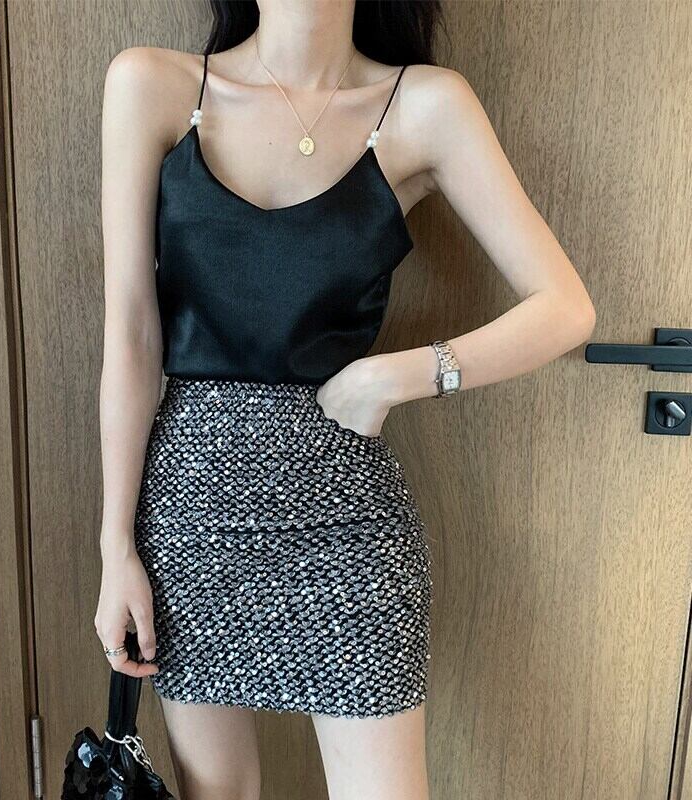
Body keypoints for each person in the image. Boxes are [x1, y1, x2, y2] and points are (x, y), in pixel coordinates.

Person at [94, 2, 596, 798]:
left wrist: (400, 375)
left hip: (349, 531)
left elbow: (565, 307)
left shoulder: (424, 105)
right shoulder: (152, 86)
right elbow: (131, 334)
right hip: (189, 520)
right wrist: (116, 546)